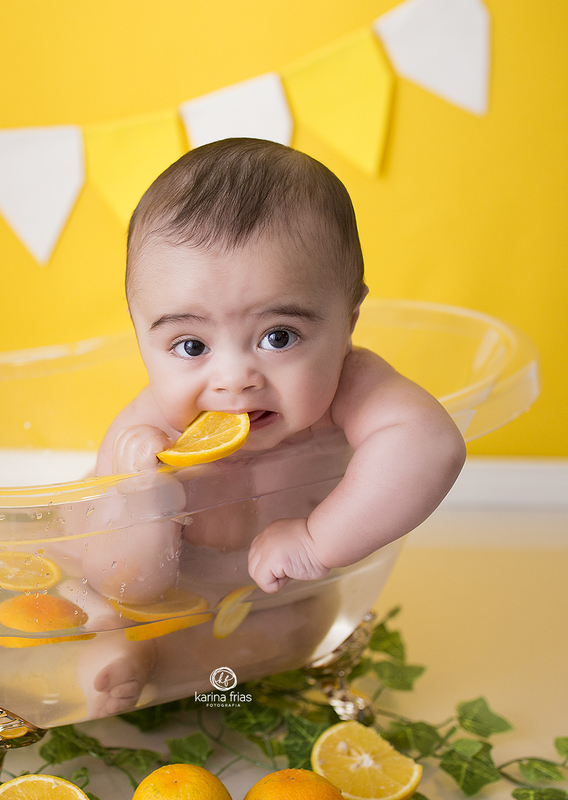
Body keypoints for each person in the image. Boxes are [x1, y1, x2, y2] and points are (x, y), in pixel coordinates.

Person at [77, 137, 466, 714]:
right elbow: (124, 581)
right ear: (140, 336)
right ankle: (138, 664)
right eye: (190, 344)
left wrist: (316, 542)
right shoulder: (149, 427)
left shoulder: (353, 386)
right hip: (166, 604)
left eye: (278, 336)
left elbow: (431, 443)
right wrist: (143, 497)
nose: (235, 377)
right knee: (101, 614)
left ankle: (226, 676)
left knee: (288, 633)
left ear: (348, 319)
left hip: (282, 602)